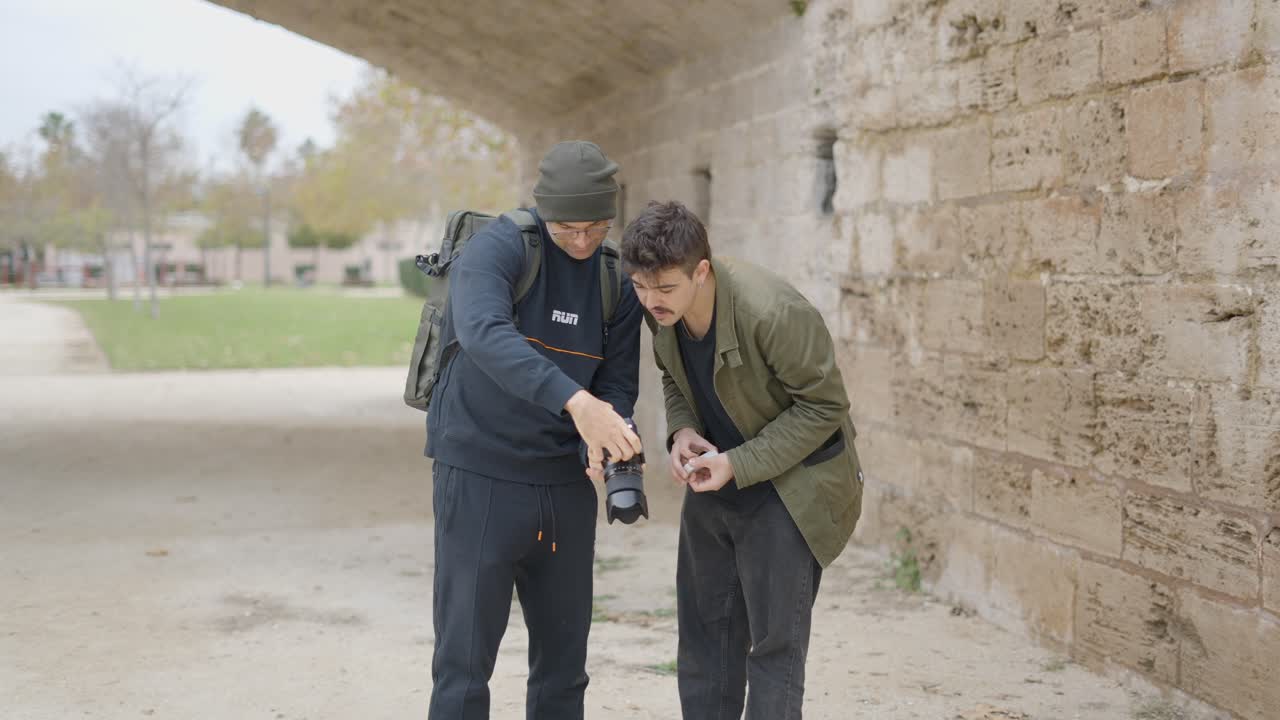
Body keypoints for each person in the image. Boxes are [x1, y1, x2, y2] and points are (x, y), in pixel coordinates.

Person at [425, 140, 643, 720]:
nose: (582, 240)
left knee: (564, 672)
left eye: (596, 227)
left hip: (564, 486)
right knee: (465, 667)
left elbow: (619, 380)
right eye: (568, 227)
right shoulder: (497, 249)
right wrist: (576, 403)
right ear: (544, 212)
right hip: (480, 473)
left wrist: (605, 432)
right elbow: (484, 333)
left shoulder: (613, 279)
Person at [621, 200, 864, 720]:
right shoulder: (659, 306)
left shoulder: (773, 312)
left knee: (775, 650)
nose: (651, 301)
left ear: (701, 270)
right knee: (705, 637)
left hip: (792, 487)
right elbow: (672, 375)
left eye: (665, 288)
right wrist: (682, 430)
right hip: (717, 480)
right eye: (641, 287)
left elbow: (825, 407)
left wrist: (740, 463)